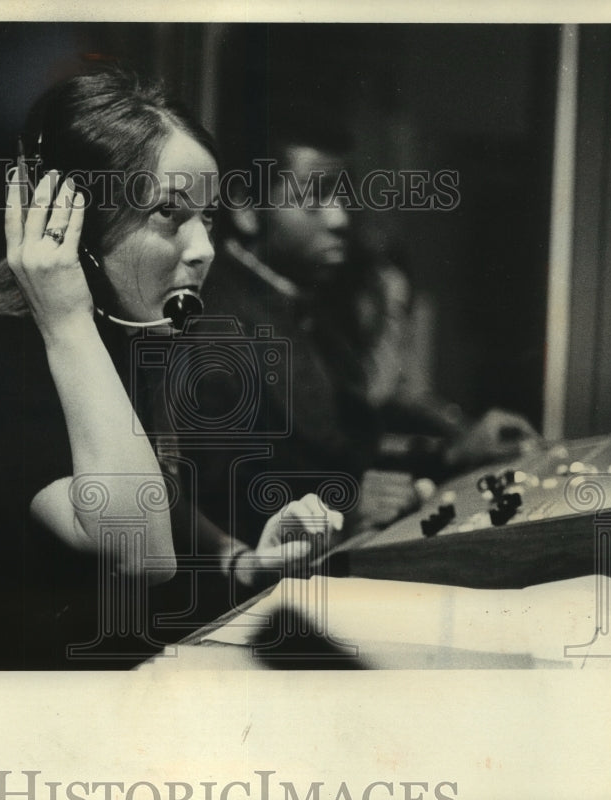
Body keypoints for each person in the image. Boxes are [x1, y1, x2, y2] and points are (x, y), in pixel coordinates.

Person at [0, 69, 343, 668]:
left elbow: (155, 486)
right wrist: (68, 319)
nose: (204, 248)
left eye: (206, 217)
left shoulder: (126, 327)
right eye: (168, 214)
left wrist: (241, 560)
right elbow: (141, 550)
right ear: (74, 227)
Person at [198, 104, 541, 547]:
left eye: (343, 195)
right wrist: (338, 505)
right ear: (245, 206)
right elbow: (208, 495)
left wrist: (450, 452)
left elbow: (338, 450)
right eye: (316, 195)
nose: (340, 218)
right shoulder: (213, 319)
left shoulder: (305, 300)